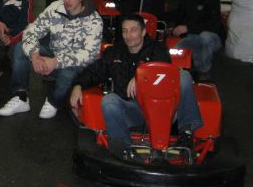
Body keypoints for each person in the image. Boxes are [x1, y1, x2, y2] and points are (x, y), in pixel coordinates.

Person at [70, 14, 203, 159]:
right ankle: (122, 150)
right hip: (134, 110)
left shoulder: (157, 49)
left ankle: (187, 133)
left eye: (134, 30)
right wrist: (78, 85)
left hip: (164, 110)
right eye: (125, 31)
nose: (129, 35)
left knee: (183, 76)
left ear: (143, 32)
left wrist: (141, 76)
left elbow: (164, 65)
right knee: (109, 100)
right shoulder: (115, 52)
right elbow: (94, 71)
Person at [0, 0, 103, 119]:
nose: (67, 0)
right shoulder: (55, 8)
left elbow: (88, 55)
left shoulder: (94, 20)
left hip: (76, 65)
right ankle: (21, 97)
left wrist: (55, 62)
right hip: (53, 55)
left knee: (67, 73)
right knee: (20, 47)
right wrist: (34, 55)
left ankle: (53, 101)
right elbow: (31, 30)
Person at [167, 0, 223, 81]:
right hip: (193, 34)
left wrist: (187, 27)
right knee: (176, 50)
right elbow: (179, 13)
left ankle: (204, 71)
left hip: (213, 36)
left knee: (204, 38)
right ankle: (177, 75)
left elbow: (213, 24)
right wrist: (159, 16)